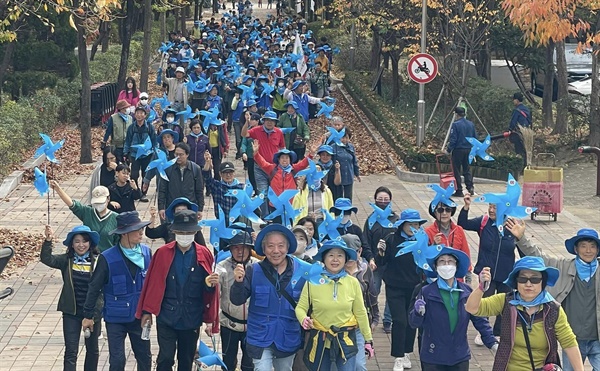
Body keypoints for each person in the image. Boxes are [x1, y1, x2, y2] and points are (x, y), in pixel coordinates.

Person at [507, 223, 600, 371]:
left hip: (597, 338)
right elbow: (539, 257)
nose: (588, 250)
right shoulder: (563, 266)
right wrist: (521, 237)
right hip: (572, 339)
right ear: (576, 249)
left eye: (592, 246)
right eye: (583, 246)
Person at [466, 256, 585, 371]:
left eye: (535, 279)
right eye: (523, 279)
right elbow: (472, 308)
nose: (528, 284)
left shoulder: (553, 309)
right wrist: (481, 288)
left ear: (542, 282)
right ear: (516, 282)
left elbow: (569, 343)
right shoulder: (505, 301)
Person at [136, 210, 218, 371]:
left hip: (191, 317)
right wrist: (147, 311)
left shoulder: (204, 254)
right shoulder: (162, 253)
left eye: (188, 232)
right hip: (167, 316)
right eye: (181, 231)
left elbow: (210, 292)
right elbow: (152, 284)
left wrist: (209, 285)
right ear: (174, 232)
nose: (184, 235)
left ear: (195, 232)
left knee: (186, 361)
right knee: (165, 358)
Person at [82, 211, 153, 371]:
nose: (141, 232)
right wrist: (88, 316)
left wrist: (149, 311)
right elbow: (94, 287)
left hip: (139, 316)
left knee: (144, 358)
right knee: (117, 360)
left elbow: (152, 286)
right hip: (116, 318)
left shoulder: (146, 253)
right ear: (125, 233)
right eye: (137, 229)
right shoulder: (107, 258)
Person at [230, 224, 306, 370]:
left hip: (288, 337)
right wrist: (238, 282)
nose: (276, 251)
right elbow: (237, 300)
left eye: (280, 246)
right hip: (260, 337)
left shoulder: (302, 271)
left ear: (288, 247)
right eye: (270, 246)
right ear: (263, 249)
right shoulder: (253, 270)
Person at [409, 246, 497, 371]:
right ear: (436, 267)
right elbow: (413, 324)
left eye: (450, 261)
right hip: (433, 356)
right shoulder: (426, 292)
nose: (446, 265)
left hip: (459, 356)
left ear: (456, 266)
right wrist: (417, 313)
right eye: (442, 261)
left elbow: (479, 319)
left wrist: (492, 342)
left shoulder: (466, 292)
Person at [295, 239, 374, 370]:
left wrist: (368, 340)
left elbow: (361, 313)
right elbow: (301, 308)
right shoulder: (312, 282)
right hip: (320, 340)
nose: (335, 259)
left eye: (340, 255)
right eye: (331, 255)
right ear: (324, 258)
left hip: (346, 340)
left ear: (345, 259)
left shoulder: (353, 283)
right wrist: (303, 319)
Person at [457, 192, 521, 343]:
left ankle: (498, 332)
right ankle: (483, 331)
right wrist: (466, 207)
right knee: (485, 301)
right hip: (487, 272)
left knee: (506, 304)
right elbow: (463, 223)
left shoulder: (513, 226)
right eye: (490, 206)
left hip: (507, 273)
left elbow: (523, 249)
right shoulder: (483, 222)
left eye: (495, 207)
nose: (491, 210)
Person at [41, 225, 103, 371]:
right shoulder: (66, 260)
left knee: (92, 350)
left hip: (92, 313)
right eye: (77, 241)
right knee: (71, 351)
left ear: (91, 243)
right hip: (71, 313)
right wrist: (48, 240)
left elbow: (102, 289)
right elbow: (47, 259)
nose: (81, 245)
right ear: (71, 244)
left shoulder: (99, 261)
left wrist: (95, 313)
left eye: (85, 241)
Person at [375, 209, 427, 371]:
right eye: (410, 224)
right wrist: (381, 252)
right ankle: (398, 356)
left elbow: (427, 260)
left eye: (416, 224)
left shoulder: (421, 240)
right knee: (399, 321)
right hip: (394, 286)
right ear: (402, 225)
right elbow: (381, 262)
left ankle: (406, 353)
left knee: (412, 321)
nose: (413, 227)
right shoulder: (391, 239)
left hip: (414, 286)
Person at [217, 228, 259, 371]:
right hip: (229, 323)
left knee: (249, 363)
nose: (240, 251)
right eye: (235, 248)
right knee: (228, 362)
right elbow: (215, 294)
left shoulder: (257, 267)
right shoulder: (222, 267)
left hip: (252, 325)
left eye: (243, 247)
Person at [363, 186, 398, 334]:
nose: (383, 202)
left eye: (386, 199)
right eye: (380, 199)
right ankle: (372, 318)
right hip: (375, 263)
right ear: (375, 200)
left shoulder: (396, 219)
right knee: (373, 291)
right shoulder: (371, 220)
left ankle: (388, 320)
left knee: (392, 292)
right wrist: (371, 258)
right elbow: (365, 242)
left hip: (391, 264)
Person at [342, 234, 379, 371]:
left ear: (360, 251)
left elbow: (372, 295)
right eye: (346, 252)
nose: (351, 257)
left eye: (355, 252)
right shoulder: (332, 271)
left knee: (359, 365)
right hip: (339, 326)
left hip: (358, 324)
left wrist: (375, 319)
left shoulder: (364, 269)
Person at [50, 181, 118, 252]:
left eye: (101, 202)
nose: (99, 205)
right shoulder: (87, 212)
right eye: (96, 203)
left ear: (108, 199)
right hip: (88, 256)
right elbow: (72, 204)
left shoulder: (116, 218)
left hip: (107, 257)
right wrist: (58, 189)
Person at [241, 110, 286, 216]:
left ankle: (276, 215)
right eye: (267, 120)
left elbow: (282, 147)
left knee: (275, 192)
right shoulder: (256, 130)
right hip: (259, 167)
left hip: (275, 168)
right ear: (263, 121)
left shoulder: (279, 132)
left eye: (272, 121)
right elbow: (244, 134)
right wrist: (247, 122)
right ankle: (265, 217)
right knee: (262, 193)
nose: (270, 122)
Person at [424, 199, 472, 281]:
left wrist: (468, 277)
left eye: (448, 210)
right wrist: (434, 246)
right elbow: (424, 257)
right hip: (436, 279)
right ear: (434, 212)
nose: (444, 213)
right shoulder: (427, 232)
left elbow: (465, 253)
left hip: (456, 278)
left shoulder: (458, 230)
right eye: (440, 210)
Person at [158, 142, 204, 222]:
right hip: (172, 208)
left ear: (187, 155)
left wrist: (200, 209)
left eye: (181, 154)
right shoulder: (167, 168)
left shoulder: (195, 169)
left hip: (189, 208)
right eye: (176, 154)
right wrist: (161, 208)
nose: (178, 157)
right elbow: (162, 190)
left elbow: (199, 190)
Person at [123, 106, 156, 202]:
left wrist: (155, 151)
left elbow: (154, 140)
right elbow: (127, 141)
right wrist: (125, 152)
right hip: (134, 154)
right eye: (137, 113)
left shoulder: (149, 127)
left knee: (146, 174)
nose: (139, 115)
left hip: (147, 154)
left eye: (142, 113)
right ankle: (135, 192)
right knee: (134, 174)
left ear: (145, 115)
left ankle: (143, 193)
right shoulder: (131, 128)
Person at [447, 107, 476, 197]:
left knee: (456, 170)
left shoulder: (455, 125)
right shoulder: (471, 124)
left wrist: (448, 150)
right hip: (468, 149)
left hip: (458, 150)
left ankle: (459, 190)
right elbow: (475, 137)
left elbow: (453, 139)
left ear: (456, 114)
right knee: (466, 169)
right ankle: (470, 187)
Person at [331, 127, 360, 201]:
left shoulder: (351, 147)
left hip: (349, 175)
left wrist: (357, 173)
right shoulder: (333, 147)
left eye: (347, 138)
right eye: (342, 137)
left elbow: (354, 160)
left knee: (348, 197)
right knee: (338, 197)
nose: (344, 140)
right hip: (338, 176)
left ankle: (347, 211)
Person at [509, 92, 532, 168]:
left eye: (514, 99)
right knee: (526, 150)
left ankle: (520, 167)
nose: (513, 101)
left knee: (519, 150)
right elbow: (530, 122)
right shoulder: (527, 109)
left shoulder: (517, 111)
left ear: (516, 100)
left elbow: (513, 122)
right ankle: (527, 165)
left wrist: (509, 130)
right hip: (528, 133)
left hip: (519, 133)